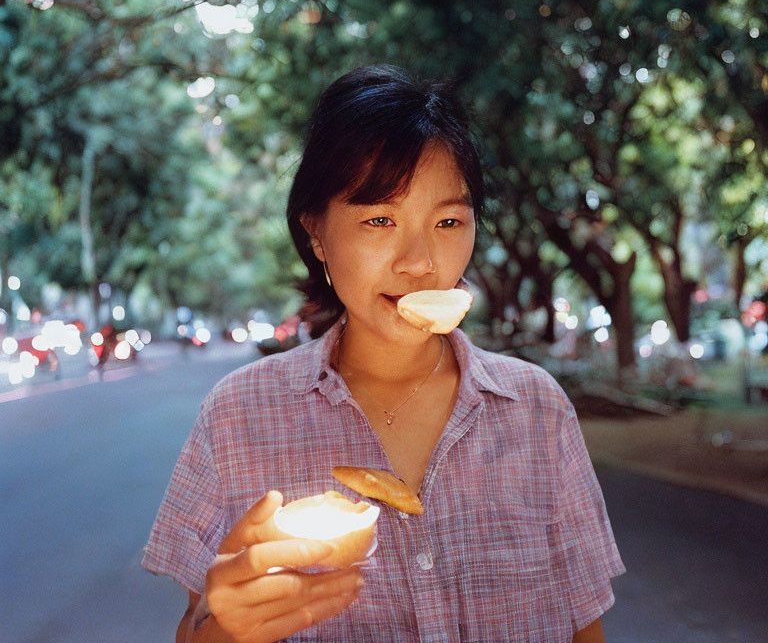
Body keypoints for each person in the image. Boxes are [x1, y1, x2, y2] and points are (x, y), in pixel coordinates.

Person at [142, 64, 625, 642]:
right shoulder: (237, 417)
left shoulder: (537, 410)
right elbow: (197, 626)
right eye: (379, 218)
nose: (420, 261)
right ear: (316, 232)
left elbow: (586, 631)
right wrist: (223, 629)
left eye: (448, 220)